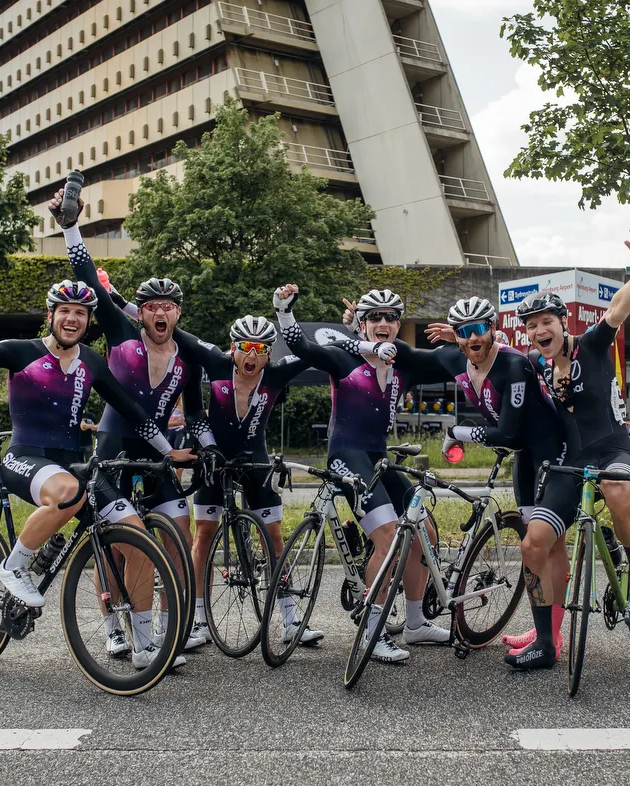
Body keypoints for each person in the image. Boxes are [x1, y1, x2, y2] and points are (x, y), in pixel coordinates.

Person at [0, 269, 195, 669]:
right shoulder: (21, 351)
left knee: (137, 540)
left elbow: (133, 412)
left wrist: (168, 451)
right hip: (24, 456)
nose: (72, 319)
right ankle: (14, 565)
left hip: (71, 466)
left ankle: (145, 647)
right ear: (51, 315)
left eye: (81, 313)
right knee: (69, 492)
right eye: (65, 311)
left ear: (89, 322)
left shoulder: (91, 361)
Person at [52, 189, 218, 654]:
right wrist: (70, 227)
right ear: (140, 313)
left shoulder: (188, 356)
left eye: (169, 305)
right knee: (117, 543)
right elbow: (88, 278)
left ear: (178, 312)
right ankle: (113, 625)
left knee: (178, 540)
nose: (160, 312)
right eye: (152, 306)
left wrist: (207, 448)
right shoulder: (122, 332)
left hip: (160, 450)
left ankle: (168, 634)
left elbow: (198, 412)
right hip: (115, 446)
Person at [273, 284, 450, 664]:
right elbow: (303, 347)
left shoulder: (402, 360)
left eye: (390, 317)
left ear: (398, 324)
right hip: (346, 456)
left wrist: (461, 338)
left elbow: (444, 362)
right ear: (363, 324)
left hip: (378, 457)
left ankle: (416, 623)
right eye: (374, 317)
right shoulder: (343, 358)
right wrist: (284, 310)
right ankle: (372, 632)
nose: (383, 323)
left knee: (424, 532)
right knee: (388, 539)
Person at [518, 223, 630, 635]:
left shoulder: (592, 345)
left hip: (612, 449)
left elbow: (618, 307)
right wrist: (461, 340)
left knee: (617, 489)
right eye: (531, 326)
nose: (539, 331)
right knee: (533, 543)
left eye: (546, 321)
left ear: (562, 323)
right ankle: (546, 641)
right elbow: (490, 356)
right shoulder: (538, 367)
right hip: (574, 463)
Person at [423, 297, 575, 670]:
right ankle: (551, 633)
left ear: (492, 328)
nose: (472, 337)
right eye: (464, 331)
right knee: (547, 549)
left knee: (537, 544)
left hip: (555, 454)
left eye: (479, 328)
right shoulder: (473, 354)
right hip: (526, 459)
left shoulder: (514, 363)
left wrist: (456, 431)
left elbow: (506, 432)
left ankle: (546, 642)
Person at [169, 314, 324, 647]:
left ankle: (290, 620)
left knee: (274, 539)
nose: (251, 355)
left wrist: (357, 333)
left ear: (269, 353)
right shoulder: (215, 362)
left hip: (256, 459)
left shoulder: (278, 372)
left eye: (260, 349)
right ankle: (200, 621)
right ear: (232, 347)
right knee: (204, 535)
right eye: (245, 347)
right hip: (214, 458)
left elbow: (315, 350)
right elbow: (174, 330)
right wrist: (118, 301)